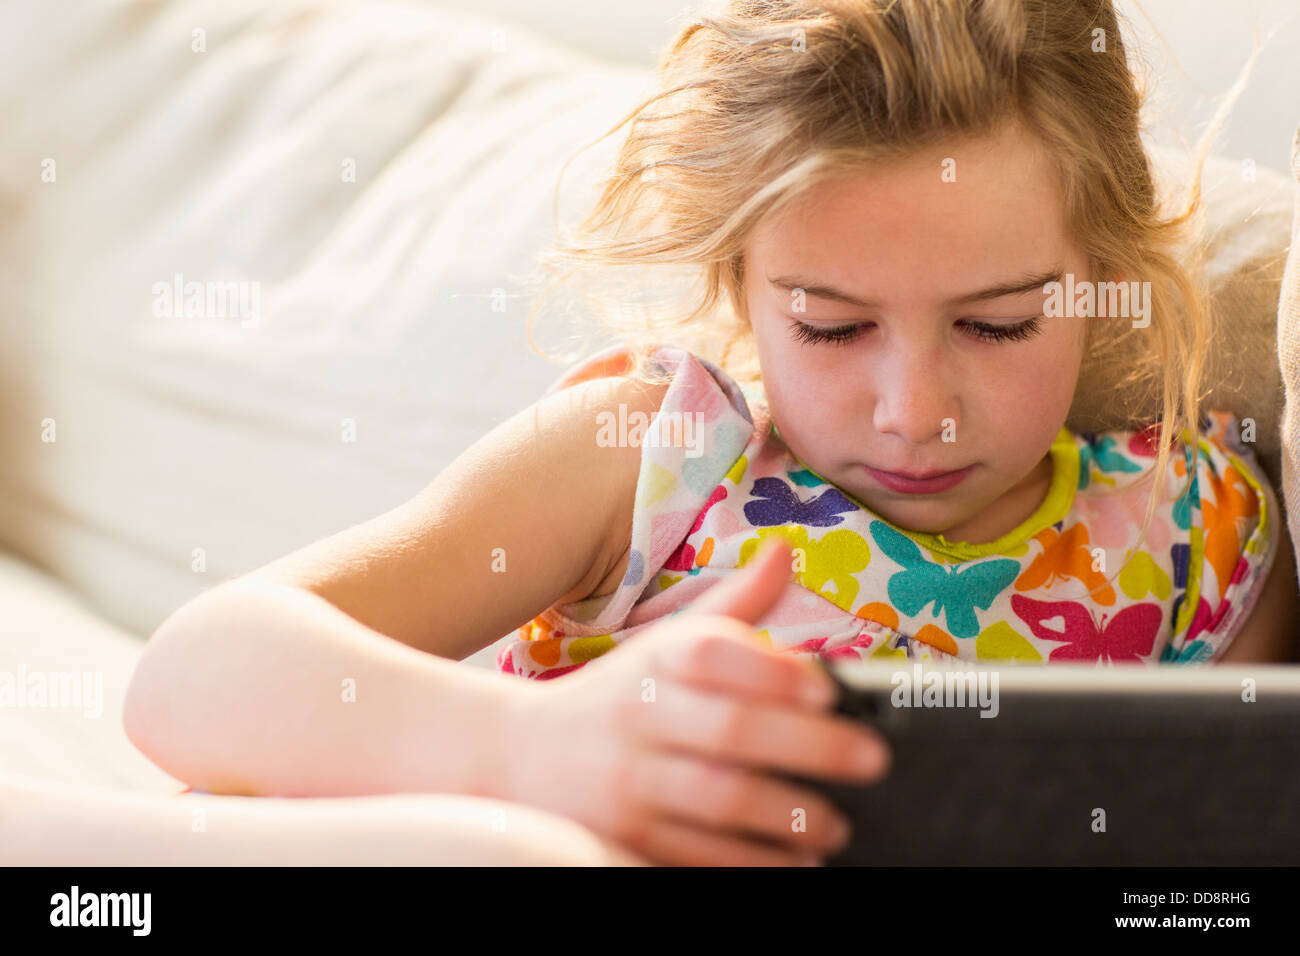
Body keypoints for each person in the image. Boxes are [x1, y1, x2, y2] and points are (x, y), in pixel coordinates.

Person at [123, 0, 1297, 867]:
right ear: (738, 285)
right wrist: (525, 746)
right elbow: (193, 675)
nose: (914, 409)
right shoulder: (656, 458)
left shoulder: (1194, 531)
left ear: (1107, 272)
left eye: (996, 324)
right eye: (832, 327)